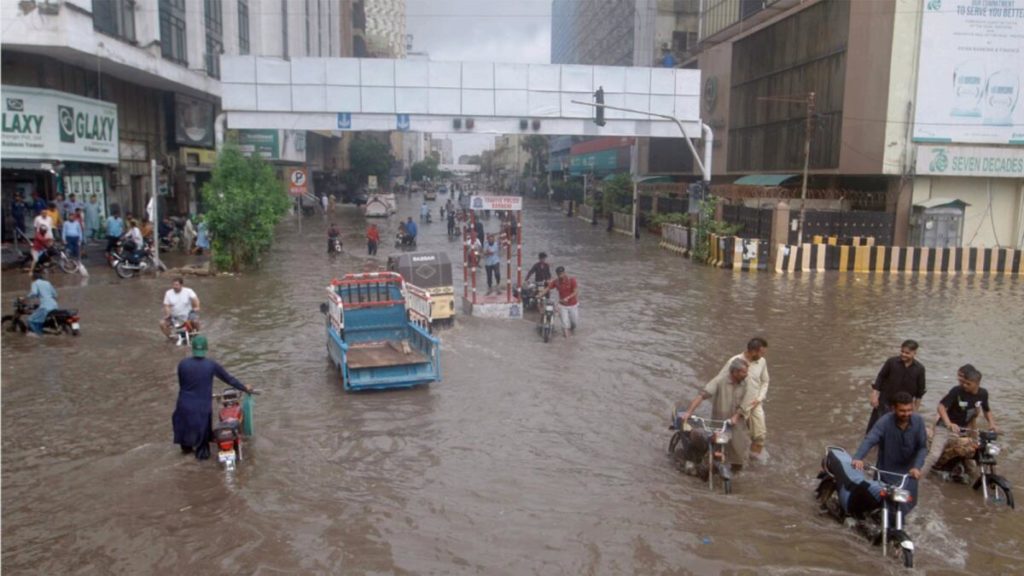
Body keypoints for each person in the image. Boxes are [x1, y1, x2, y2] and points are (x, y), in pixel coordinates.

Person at [172, 335, 252, 460]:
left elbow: (184, 384)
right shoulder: (211, 365)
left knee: (186, 446)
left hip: (183, 407)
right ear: (206, 349)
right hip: (202, 409)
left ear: (193, 348)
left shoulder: (182, 364)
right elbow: (229, 379)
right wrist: (244, 388)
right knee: (202, 452)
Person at [852, 391, 927, 514]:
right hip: (885, 472)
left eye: (909, 410)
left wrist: (917, 467)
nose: (906, 414)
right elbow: (870, 439)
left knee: (906, 506)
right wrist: (858, 457)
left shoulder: (918, 422)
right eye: (902, 411)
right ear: (893, 409)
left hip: (908, 475)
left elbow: (922, 448)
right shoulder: (884, 422)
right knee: (880, 503)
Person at [678, 357, 756, 470]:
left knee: (738, 455)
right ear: (735, 372)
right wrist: (689, 412)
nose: (746, 374)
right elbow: (702, 395)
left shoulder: (747, 383)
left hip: (737, 423)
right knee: (714, 449)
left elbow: (748, 401)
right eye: (744, 372)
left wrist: (737, 415)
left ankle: (734, 474)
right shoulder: (720, 381)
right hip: (720, 422)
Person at [923, 365, 998, 475]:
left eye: (968, 383)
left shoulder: (983, 394)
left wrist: (992, 424)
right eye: (964, 382)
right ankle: (919, 477)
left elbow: (987, 410)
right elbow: (941, 407)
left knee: (974, 461)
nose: (964, 385)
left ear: (977, 383)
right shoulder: (957, 391)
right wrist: (949, 423)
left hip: (963, 430)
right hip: (944, 428)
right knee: (934, 455)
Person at [714, 337, 770, 462]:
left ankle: (753, 462)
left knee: (760, 436)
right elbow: (720, 381)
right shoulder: (734, 361)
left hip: (754, 403)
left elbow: (765, 381)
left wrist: (760, 398)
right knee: (729, 435)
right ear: (753, 351)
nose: (762, 356)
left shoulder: (762, 362)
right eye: (761, 353)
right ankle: (727, 460)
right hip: (735, 404)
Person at [867, 340, 926, 433]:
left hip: (903, 407)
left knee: (897, 431)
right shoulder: (891, 362)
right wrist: (874, 395)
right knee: (875, 428)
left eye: (907, 353)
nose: (903, 354)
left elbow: (920, 391)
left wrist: (915, 410)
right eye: (902, 351)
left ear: (914, 353)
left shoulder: (920, 369)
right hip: (885, 401)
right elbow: (880, 377)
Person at [540, 266, 579, 338]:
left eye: (561, 273)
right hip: (562, 305)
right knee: (564, 323)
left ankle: (571, 329)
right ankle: (567, 340)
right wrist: (540, 294)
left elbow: (575, 291)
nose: (559, 275)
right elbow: (548, 288)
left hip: (573, 304)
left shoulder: (571, 280)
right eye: (558, 274)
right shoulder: (556, 282)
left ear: (564, 273)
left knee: (574, 323)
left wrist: (568, 297)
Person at [25, 271, 59, 336]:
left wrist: (26, 297)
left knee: (30, 320)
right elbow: (55, 295)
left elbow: (34, 293)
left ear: (33, 278)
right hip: (54, 306)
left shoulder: (35, 283)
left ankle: (39, 335)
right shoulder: (47, 283)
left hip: (45, 307)